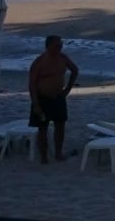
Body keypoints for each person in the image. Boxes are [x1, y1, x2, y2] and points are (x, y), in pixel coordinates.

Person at [28, 35, 79, 163]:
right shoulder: (39, 62)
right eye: (57, 45)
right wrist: (36, 104)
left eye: (61, 45)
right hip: (42, 98)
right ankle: (44, 157)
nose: (60, 48)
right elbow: (32, 85)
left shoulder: (63, 58)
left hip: (58, 97)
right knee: (42, 128)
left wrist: (67, 89)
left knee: (60, 125)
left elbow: (75, 70)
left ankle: (58, 153)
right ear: (49, 46)